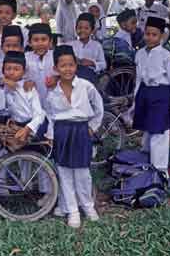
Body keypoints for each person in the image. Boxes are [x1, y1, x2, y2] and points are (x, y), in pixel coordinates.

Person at [45, 45, 104, 228]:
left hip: (81, 132)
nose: (67, 69)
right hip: (62, 133)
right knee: (65, 173)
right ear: (56, 68)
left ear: (76, 66)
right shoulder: (53, 91)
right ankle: (73, 211)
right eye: (63, 66)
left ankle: (88, 206)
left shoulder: (86, 86)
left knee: (83, 173)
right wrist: (51, 135)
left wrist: (92, 128)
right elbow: (50, 115)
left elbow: (99, 107)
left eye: (71, 65)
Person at [133, 17, 170, 175]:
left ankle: (160, 171)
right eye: (147, 34)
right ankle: (146, 158)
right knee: (148, 129)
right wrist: (135, 98)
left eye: (154, 35)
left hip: (160, 95)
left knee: (159, 131)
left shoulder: (166, 56)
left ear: (161, 36)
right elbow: (138, 77)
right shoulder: (140, 54)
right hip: (144, 93)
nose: (150, 37)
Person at [25, 23, 57, 108]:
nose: (40, 43)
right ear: (29, 42)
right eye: (36, 40)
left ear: (50, 41)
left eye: (44, 39)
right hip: (32, 103)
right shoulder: (25, 58)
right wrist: (25, 83)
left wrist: (57, 78)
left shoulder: (56, 56)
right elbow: (18, 76)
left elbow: (68, 74)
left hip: (55, 102)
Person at [68, 13, 106, 83]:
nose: (82, 30)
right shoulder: (70, 45)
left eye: (86, 28)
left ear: (92, 30)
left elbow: (103, 64)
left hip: (90, 78)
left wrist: (92, 63)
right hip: (73, 78)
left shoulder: (97, 46)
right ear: (76, 29)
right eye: (79, 28)